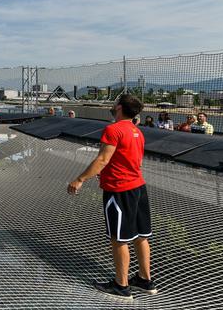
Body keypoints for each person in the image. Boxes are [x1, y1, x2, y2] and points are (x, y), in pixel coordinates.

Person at [68, 94, 157, 301]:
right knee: (141, 236)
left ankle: (121, 285)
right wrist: (108, 170)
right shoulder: (137, 131)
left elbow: (102, 159)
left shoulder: (113, 130)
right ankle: (145, 280)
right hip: (138, 187)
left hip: (119, 190)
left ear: (119, 107)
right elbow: (133, 161)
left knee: (119, 238)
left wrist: (80, 179)